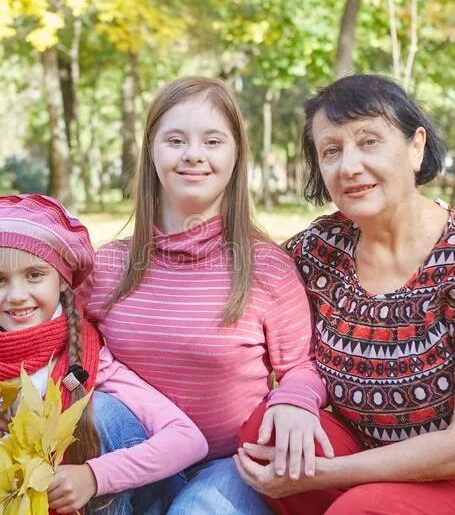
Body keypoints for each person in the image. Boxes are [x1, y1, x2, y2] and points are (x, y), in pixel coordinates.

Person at [236, 74, 455, 514]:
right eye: (331, 150)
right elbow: (235, 294)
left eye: (369, 141)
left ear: (416, 147)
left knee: (362, 509)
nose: (348, 166)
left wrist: (322, 475)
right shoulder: (318, 250)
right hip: (368, 456)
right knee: (266, 434)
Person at [0, 193, 209, 514]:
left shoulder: (85, 358)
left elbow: (188, 439)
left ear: (62, 280)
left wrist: (93, 476)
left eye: (34, 275)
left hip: (56, 502)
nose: (16, 295)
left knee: (101, 410)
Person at [84, 76, 329, 514]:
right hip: (139, 460)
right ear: (152, 151)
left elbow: (301, 367)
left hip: (229, 466)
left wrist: (295, 400)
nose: (193, 154)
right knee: (100, 408)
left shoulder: (266, 268)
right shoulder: (106, 267)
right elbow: (66, 345)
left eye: (212, 141)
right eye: (175, 140)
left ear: (236, 155)